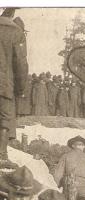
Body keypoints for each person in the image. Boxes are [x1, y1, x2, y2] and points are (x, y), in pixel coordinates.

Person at [0, 8, 29, 163]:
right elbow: (20, 64)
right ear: (12, 15)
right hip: (4, 84)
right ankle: (1, 155)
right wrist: (20, 88)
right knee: (4, 118)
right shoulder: (16, 32)